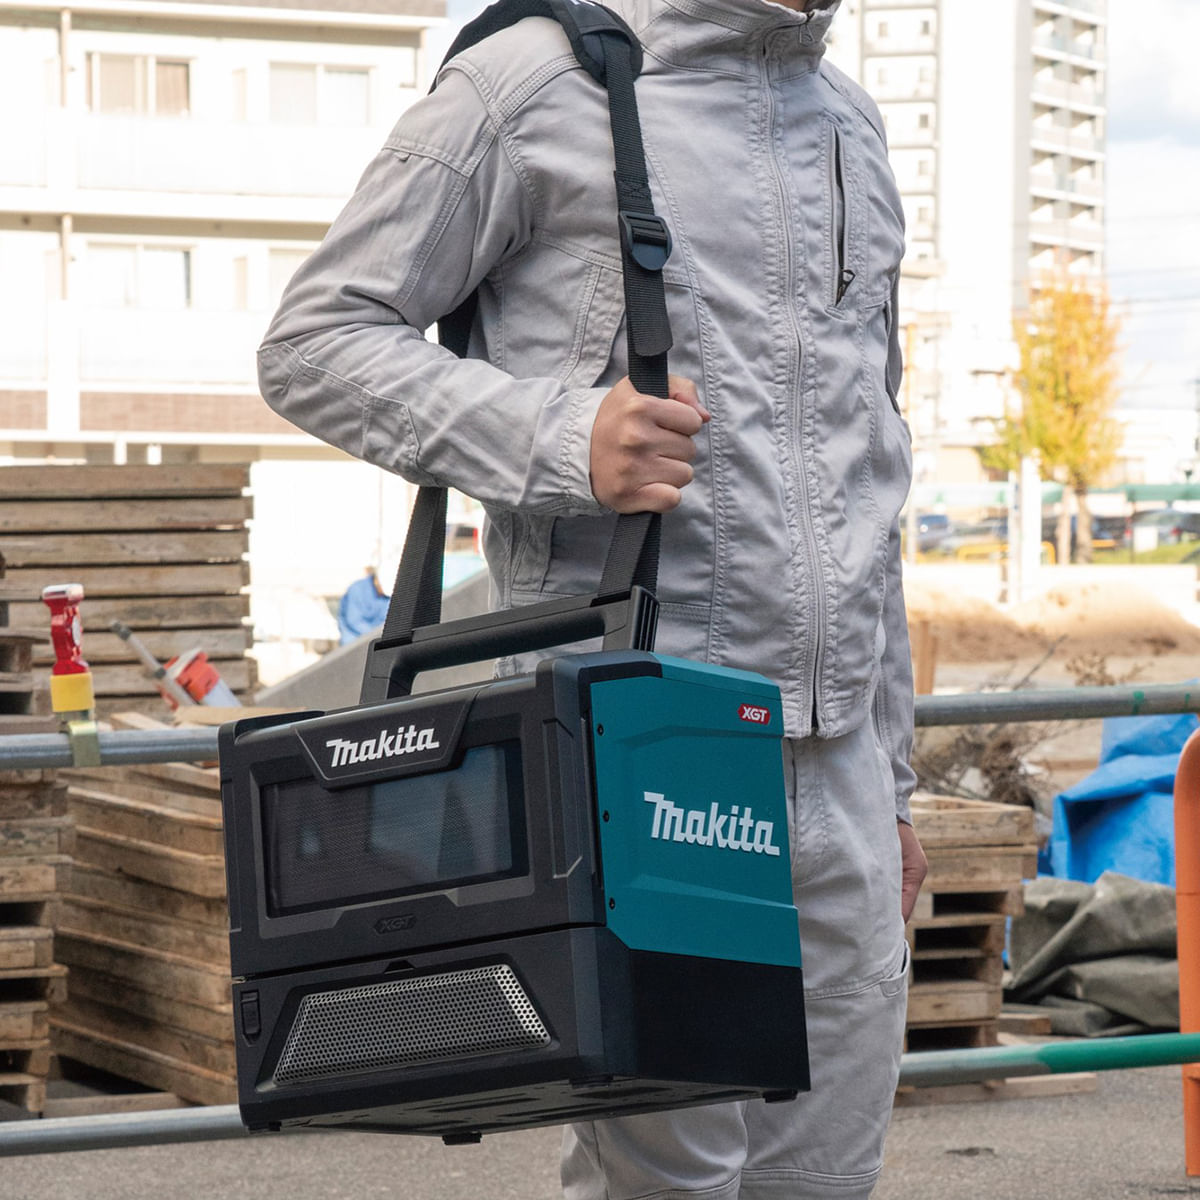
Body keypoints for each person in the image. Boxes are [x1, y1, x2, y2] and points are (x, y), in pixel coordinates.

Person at [258, 0, 927, 1194]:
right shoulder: (530, 84)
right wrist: (564, 436)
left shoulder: (848, 122)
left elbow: (862, 480)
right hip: (649, 750)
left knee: (826, 1180)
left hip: (841, 777)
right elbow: (315, 341)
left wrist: (896, 786)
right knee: (669, 1182)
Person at [336, 566, 390, 645]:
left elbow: (386, 620)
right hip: (353, 641)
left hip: (376, 640)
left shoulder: (387, 597)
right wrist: (376, 634)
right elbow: (355, 621)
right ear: (377, 581)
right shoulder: (357, 589)